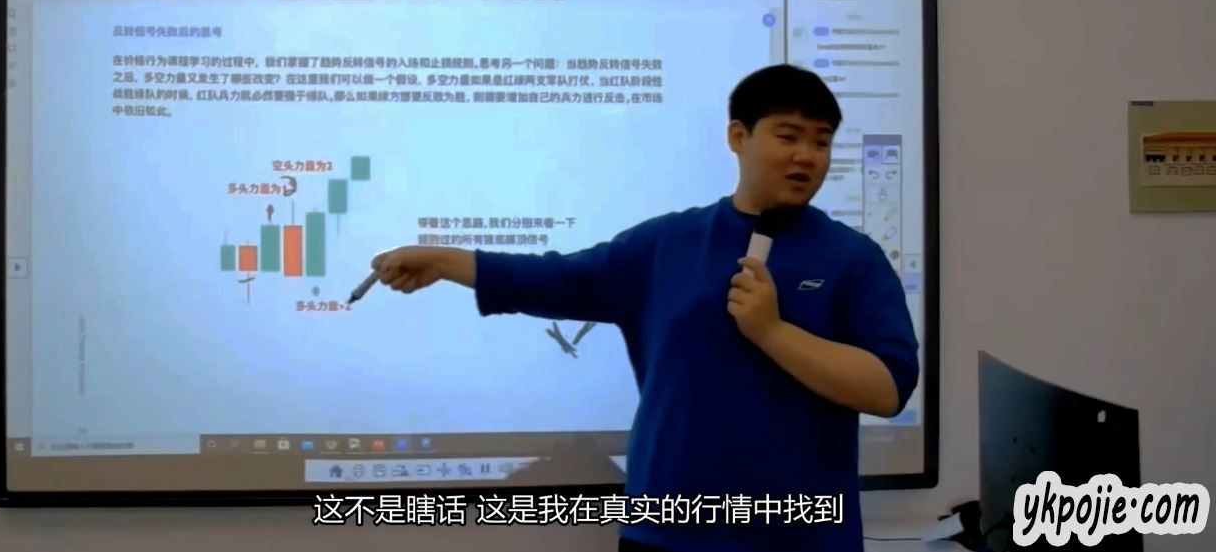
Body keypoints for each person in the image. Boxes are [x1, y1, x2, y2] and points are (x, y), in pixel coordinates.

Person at [370, 63, 920, 552]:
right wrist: (444, 261)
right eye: (788, 136)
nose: (807, 156)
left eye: (821, 142)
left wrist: (773, 332)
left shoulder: (853, 258)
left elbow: (887, 388)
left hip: (801, 538)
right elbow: (558, 278)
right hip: (667, 532)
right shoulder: (668, 244)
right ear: (738, 136)